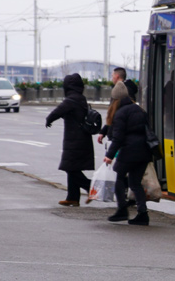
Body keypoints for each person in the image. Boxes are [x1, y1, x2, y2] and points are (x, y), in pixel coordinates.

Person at [104, 80, 153, 226]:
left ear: (115, 99)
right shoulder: (138, 109)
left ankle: (122, 210)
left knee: (119, 177)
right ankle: (143, 214)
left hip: (130, 151)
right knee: (135, 183)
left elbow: (118, 138)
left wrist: (109, 155)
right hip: (144, 151)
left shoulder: (120, 113)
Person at [45, 73, 94, 207]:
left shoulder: (70, 100)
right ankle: (72, 197)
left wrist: (48, 120)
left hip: (74, 140)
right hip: (81, 139)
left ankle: (90, 188)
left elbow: (57, 112)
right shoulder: (81, 98)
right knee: (73, 167)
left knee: (70, 168)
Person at [97, 67, 128, 145]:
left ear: (117, 76)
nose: (112, 78)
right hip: (116, 135)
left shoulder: (122, 92)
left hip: (118, 137)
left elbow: (115, 116)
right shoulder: (120, 90)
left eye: (112, 75)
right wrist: (104, 131)